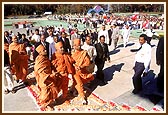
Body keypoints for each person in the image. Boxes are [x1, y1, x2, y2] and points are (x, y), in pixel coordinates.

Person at [34, 44, 58, 110]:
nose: (45, 51)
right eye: (43, 50)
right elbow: (40, 71)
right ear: (40, 52)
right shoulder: (39, 60)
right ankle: (45, 104)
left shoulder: (45, 57)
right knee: (45, 92)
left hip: (49, 76)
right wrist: (50, 75)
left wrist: (52, 72)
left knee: (52, 88)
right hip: (44, 79)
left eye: (45, 49)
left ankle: (50, 101)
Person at [71, 39, 94, 104]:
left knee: (77, 82)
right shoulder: (73, 54)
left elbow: (88, 62)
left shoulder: (84, 52)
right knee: (79, 83)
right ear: (74, 46)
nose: (77, 47)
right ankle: (83, 97)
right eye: (76, 45)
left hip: (82, 71)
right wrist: (75, 66)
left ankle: (72, 90)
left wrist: (81, 66)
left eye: (78, 45)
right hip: (75, 72)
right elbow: (71, 62)